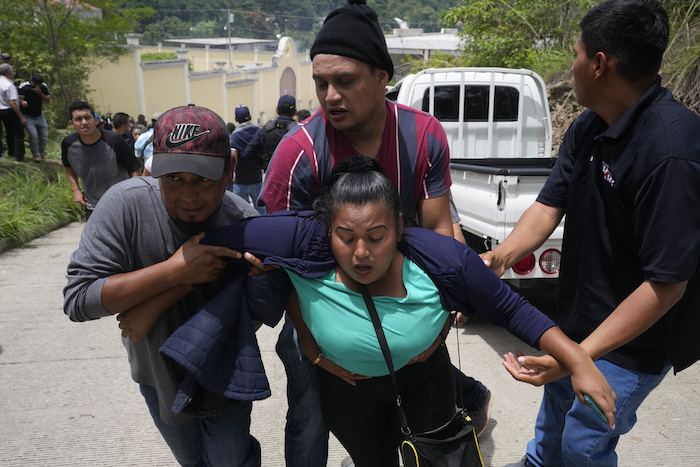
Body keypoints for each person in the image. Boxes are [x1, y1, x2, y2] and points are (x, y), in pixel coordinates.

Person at [191, 156, 615, 467]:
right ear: (326, 228)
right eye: (345, 236)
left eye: (377, 236)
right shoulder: (300, 240)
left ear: (399, 225)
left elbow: (512, 309)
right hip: (346, 391)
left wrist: (577, 360)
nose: (361, 253)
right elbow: (208, 241)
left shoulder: (442, 259)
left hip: (425, 381)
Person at [259, 1, 491, 465]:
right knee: (309, 419)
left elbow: (440, 225)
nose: (330, 96)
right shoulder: (298, 153)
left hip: (406, 300)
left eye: (345, 81)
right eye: (321, 83)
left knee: (432, 431)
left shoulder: (423, 135)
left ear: (383, 76)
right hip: (322, 315)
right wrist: (311, 343)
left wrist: (445, 312)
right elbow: (279, 263)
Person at [477, 1, 700, 466]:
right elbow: (547, 206)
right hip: (578, 323)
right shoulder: (590, 125)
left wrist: (577, 358)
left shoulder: (671, 151)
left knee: (583, 445)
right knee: (551, 432)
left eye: (576, 53)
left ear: (600, 64)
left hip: (633, 341)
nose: (573, 64)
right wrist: (501, 257)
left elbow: (667, 284)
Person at [63, 104, 275, 467]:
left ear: (230, 169)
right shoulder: (124, 207)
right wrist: (175, 271)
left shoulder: (245, 225)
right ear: (154, 169)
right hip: (155, 374)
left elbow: (262, 313)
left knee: (229, 460)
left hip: (224, 372)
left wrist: (261, 283)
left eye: (204, 180)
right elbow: (79, 299)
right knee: (191, 460)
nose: (189, 197)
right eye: (173, 179)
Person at [61, 101, 140, 219]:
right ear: (72, 124)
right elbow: (67, 165)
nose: (84, 122)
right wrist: (75, 190)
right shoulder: (68, 144)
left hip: (122, 204)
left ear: (95, 120)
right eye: (78, 119)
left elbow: (135, 169)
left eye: (87, 118)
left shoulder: (114, 140)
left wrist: (134, 195)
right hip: (93, 206)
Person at [244, 95, 296, 171]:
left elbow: (249, 152)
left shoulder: (267, 129)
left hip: (272, 173)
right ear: (295, 112)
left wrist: (264, 164)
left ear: (277, 110)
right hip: (292, 175)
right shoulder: (298, 130)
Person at [229, 105, 265, 214]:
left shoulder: (235, 136)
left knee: (243, 213)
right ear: (250, 117)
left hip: (241, 181)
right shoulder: (259, 131)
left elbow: (233, 156)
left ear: (235, 119)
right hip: (257, 178)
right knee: (262, 211)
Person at [18, 73, 51, 162]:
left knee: (43, 135)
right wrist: (22, 102)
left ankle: (42, 154)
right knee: (33, 135)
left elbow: (47, 100)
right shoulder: (24, 86)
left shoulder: (43, 87)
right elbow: (18, 98)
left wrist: (40, 93)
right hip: (27, 116)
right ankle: (35, 154)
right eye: (37, 84)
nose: (39, 85)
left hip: (39, 115)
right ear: (32, 81)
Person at [0, 63, 26, 162]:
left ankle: (11, 153)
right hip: (10, 110)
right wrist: (21, 117)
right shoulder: (9, 84)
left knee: (8, 132)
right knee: (18, 134)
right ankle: (19, 157)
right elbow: (12, 102)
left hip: (1, 110)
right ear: (9, 73)